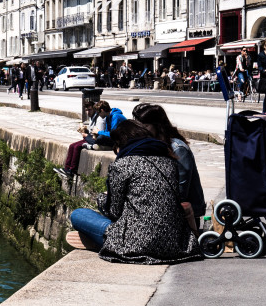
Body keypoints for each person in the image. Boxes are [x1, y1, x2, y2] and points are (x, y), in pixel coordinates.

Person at [68, 120, 202, 264]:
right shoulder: (169, 162)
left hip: (135, 245)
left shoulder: (122, 165)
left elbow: (114, 212)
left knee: (78, 214)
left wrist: (103, 198)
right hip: (175, 245)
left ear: (121, 143)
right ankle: (104, 239)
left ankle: (104, 241)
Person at [131, 103, 206, 224]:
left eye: (145, 126)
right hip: (164, 208)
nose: (142, 131)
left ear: (157, 126)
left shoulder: (177, 148)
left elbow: (181, 190)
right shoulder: (150, 145)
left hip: (184, 214)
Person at [57, 101, 106, 178]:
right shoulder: (92, 118)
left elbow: (99, 135)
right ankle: (67, 169)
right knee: (72, 146)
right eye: (86, 110)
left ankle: (72, 170)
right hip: (90, 138)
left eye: (89, 110)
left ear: (94, 109)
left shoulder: (99, 119)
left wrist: (87, 135)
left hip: (95, 140)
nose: (87, 112)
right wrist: (85, 131)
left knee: (77, 147)